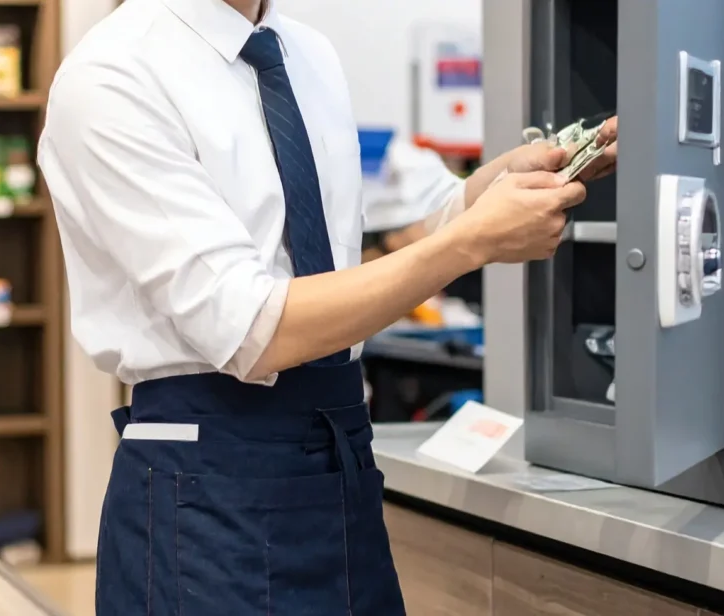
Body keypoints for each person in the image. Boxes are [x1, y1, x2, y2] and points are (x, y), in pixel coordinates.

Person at [37, 0, 617, 614]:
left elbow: (351, 265)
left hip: (340, 462)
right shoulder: (113, 74)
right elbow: (254, 327)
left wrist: (484, 195)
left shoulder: (307, 54)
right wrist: (470, 243)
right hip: (206, 483)